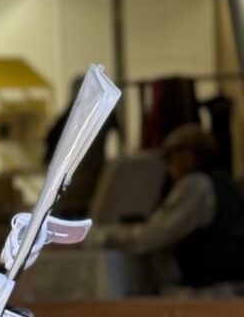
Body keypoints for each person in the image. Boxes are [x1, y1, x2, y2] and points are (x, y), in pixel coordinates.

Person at [97, 122, 244, 289]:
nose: (169, 168)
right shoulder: (226, 183)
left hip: (209, 292)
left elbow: (153, 236)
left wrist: (104, 235)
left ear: (187, 155)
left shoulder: (196, 186)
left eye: (170, 158)